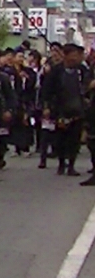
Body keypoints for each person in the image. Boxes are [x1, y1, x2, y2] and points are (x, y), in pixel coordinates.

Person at [42, 43, 91, 178]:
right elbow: (47, 90)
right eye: (72, 55)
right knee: (60, 139)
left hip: (77, 109)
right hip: (60, 109)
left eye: (76, 55)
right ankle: (61, 163)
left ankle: (71, 166)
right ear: (65, 55)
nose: (74, 58)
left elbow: (86, 86)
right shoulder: (56, 71)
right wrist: (46, 107)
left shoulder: (81, 70)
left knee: (74, 140)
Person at [9, 50, 38, 155]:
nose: (20, 59)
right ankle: (16, 147)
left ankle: (25, 147)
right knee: (14, 124)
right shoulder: (10, 71)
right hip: (13, 100)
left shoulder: (28, 71)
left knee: (25, 122)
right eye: (19, 56)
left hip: (25, 99)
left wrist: (27, 78)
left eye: (22, 57)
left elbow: (32, 84)